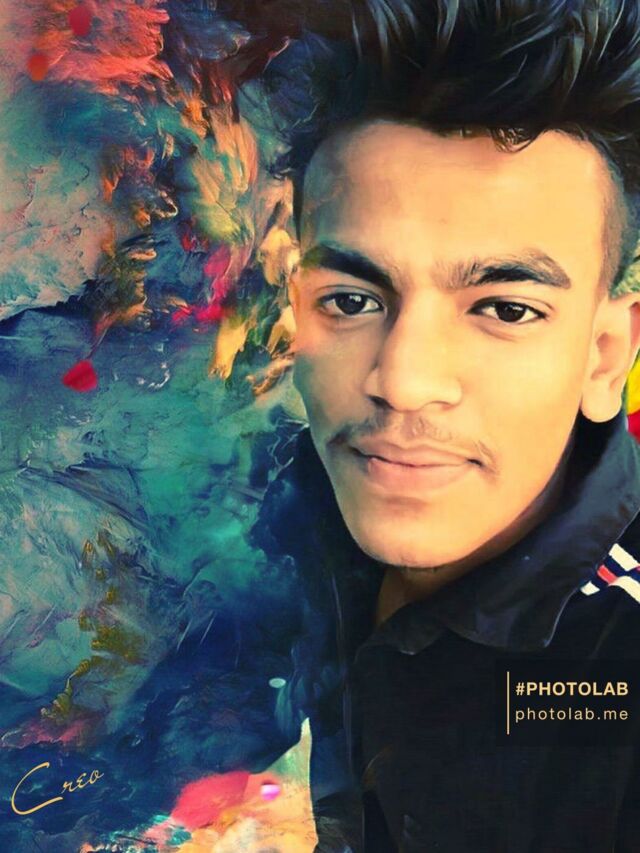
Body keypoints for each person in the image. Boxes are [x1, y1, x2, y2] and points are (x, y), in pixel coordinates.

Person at [250, 1, 640, 850]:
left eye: (505, 308)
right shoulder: (241, 525)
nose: (403, 381)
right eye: (350, 300)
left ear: (605, 356)